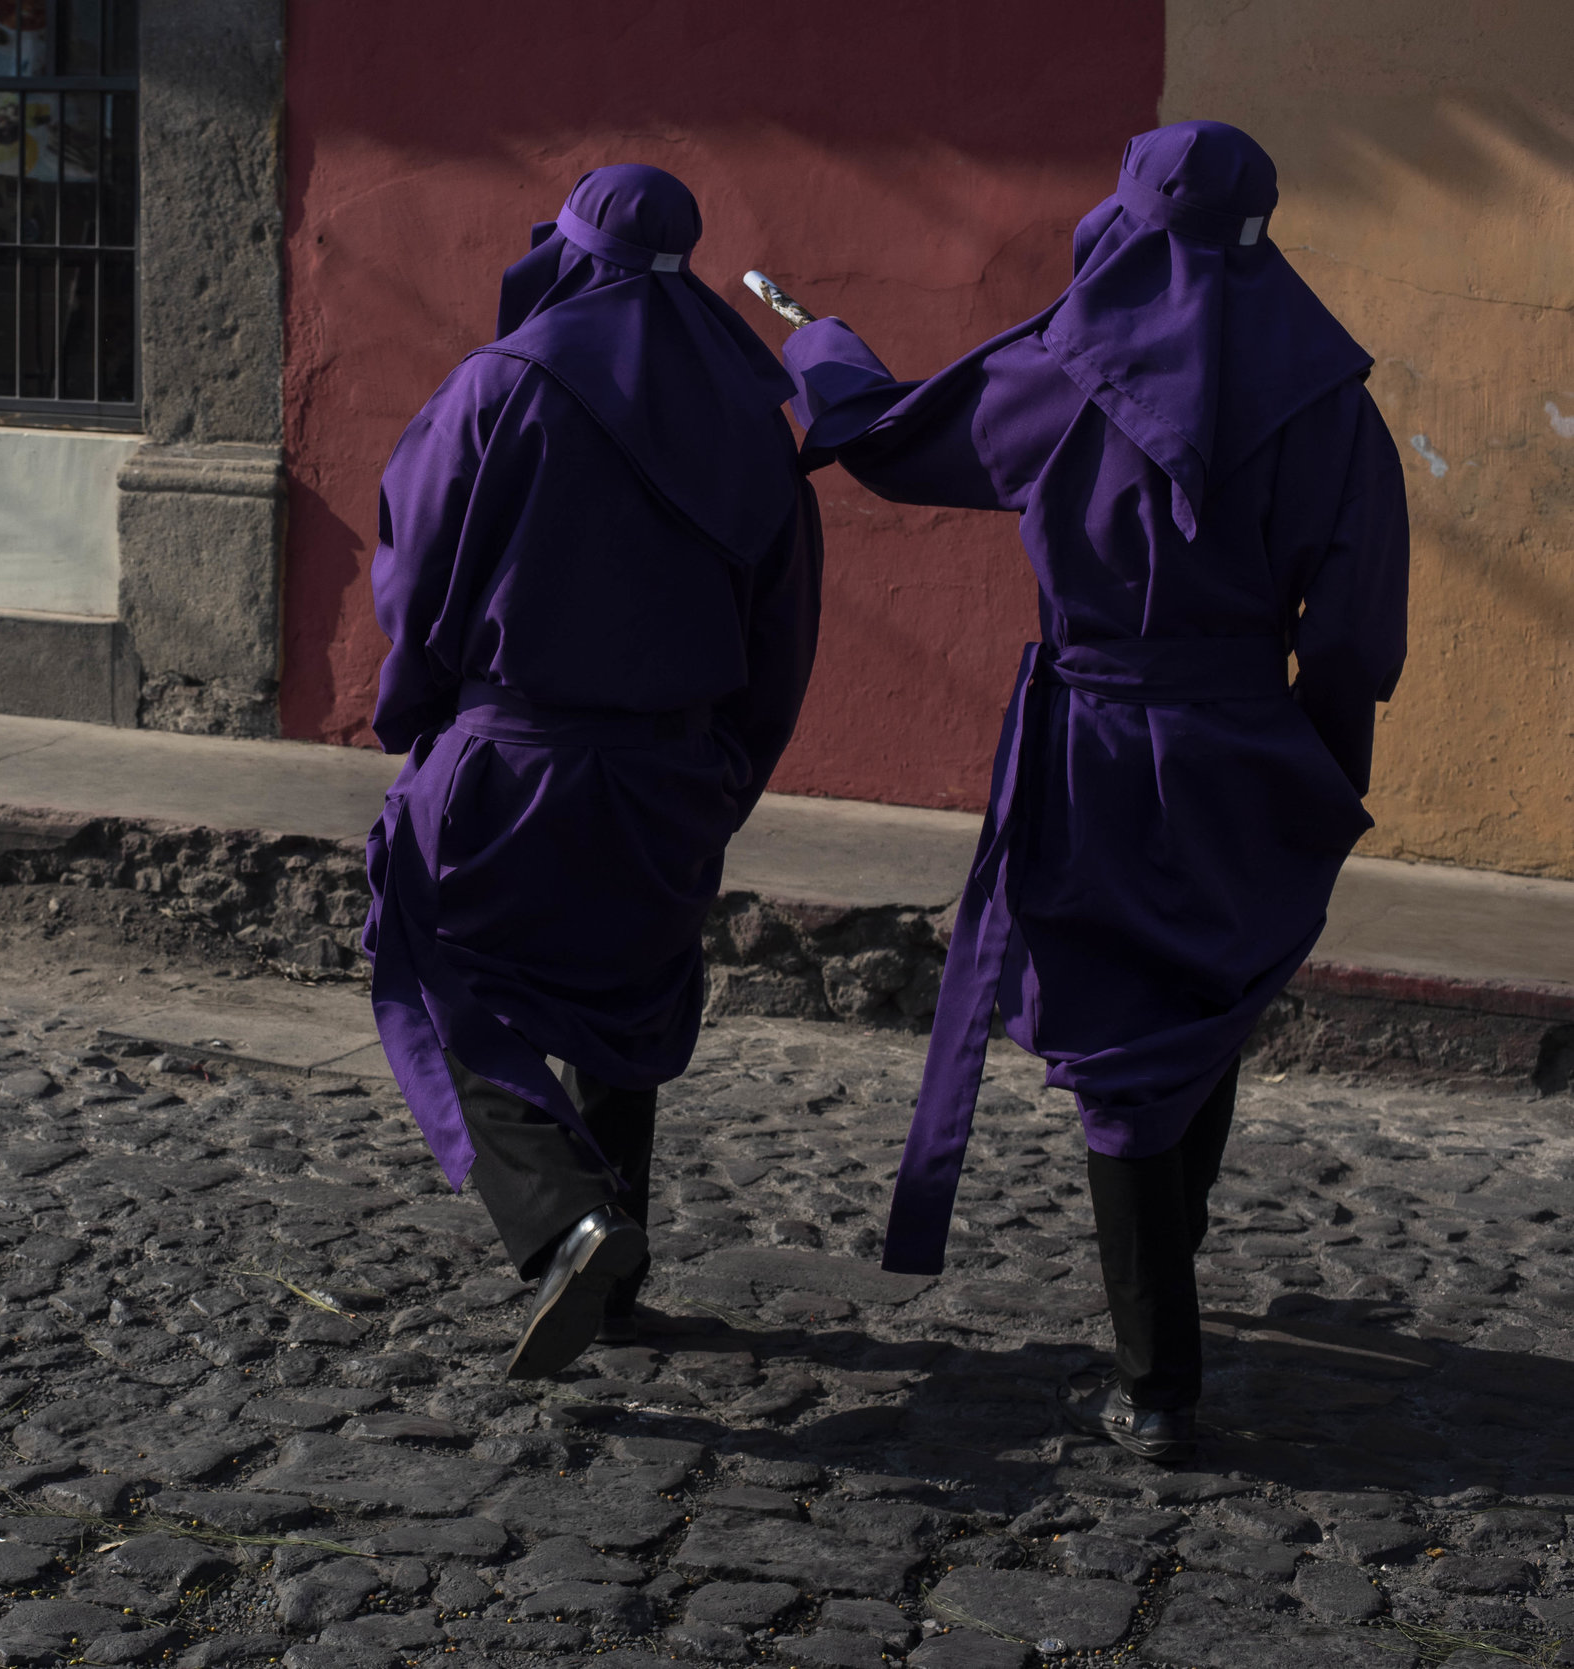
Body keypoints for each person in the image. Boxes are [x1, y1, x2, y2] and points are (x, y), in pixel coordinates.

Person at [776, 121, 1409, 1459]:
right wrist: (1322, 773)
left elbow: (891, 440)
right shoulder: (1336, 401)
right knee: (1201, 1000)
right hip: (1249, 743)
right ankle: (1160, 1291)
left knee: (1122, 1043)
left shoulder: (1062, 365)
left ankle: (1159, 1377)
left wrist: (818, 346)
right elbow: (1351, 634)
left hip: (1102, 740)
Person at [363, 164, 823, 1380]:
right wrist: (725, 772)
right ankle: (618, 1294)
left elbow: (414, 570)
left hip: (514, 757)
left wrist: (412, 704)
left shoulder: (501, 383)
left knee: (443, 965)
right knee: (622, 1004)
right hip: (670, 768)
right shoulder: (751, 417)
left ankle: (568, 1217)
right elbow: (783, 624)